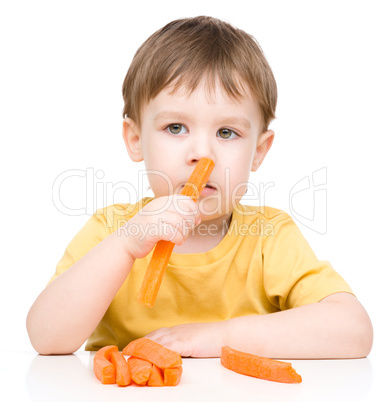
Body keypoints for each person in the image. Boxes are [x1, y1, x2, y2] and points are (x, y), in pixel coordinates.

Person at [26, 16, 373, 358]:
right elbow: (46, 338)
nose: (202, 154)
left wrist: (216, 337)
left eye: (226, 133)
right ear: (135, 139)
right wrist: (126, 245)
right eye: (176, 127)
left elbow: (354, 332)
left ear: (259, 151)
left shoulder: (269, 237)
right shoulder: (111, 230)